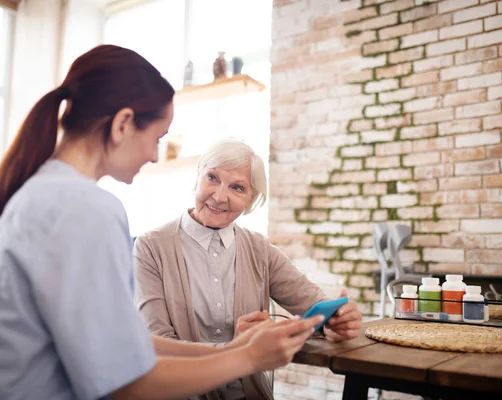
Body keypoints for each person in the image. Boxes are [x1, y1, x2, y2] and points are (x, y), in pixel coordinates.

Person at [0, 45, 324, 400]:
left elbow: (123, 341)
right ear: (123, 124)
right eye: (157, 137)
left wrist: (232, 349)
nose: (156, 156)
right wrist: (249, 359)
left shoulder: (44, 192)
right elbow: (123, 384)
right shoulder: (86, 208)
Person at [133, 139, 363, 400]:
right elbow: (158, 344)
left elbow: (314, 305)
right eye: (212, 178)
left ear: (251, 200)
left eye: (237, 187)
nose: (219, 196)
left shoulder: (259, 249)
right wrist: (237, 348)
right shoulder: (151, 247)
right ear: (198, 176)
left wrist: (336, 322)